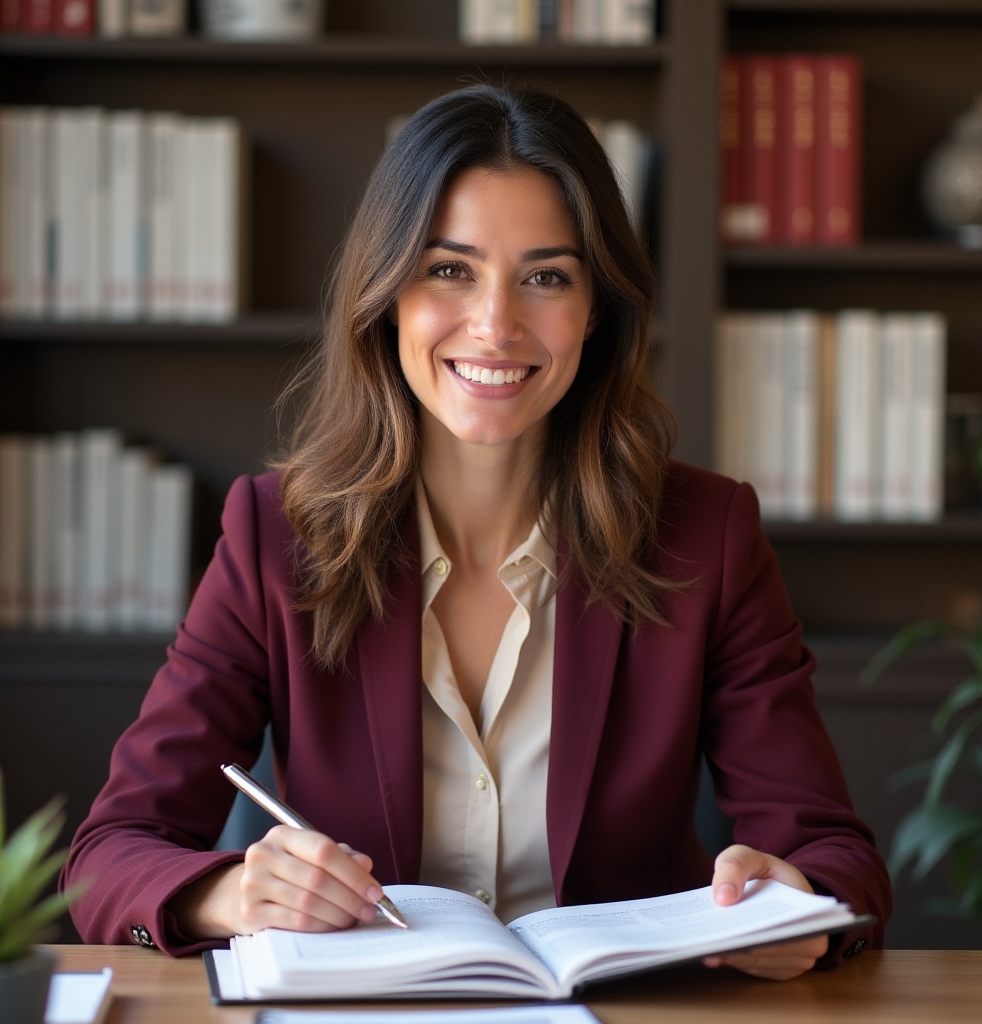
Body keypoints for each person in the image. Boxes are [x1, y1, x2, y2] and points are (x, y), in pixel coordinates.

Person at [59, 82, 891, 981]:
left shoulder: (707, 534)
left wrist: (792, 902)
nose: (495, 326)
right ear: (386, 294)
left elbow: (837, 857)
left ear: (597, 310)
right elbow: (110, 855)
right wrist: (227, 893)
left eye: (546, 277)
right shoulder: (275, 534)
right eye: (448, 269)